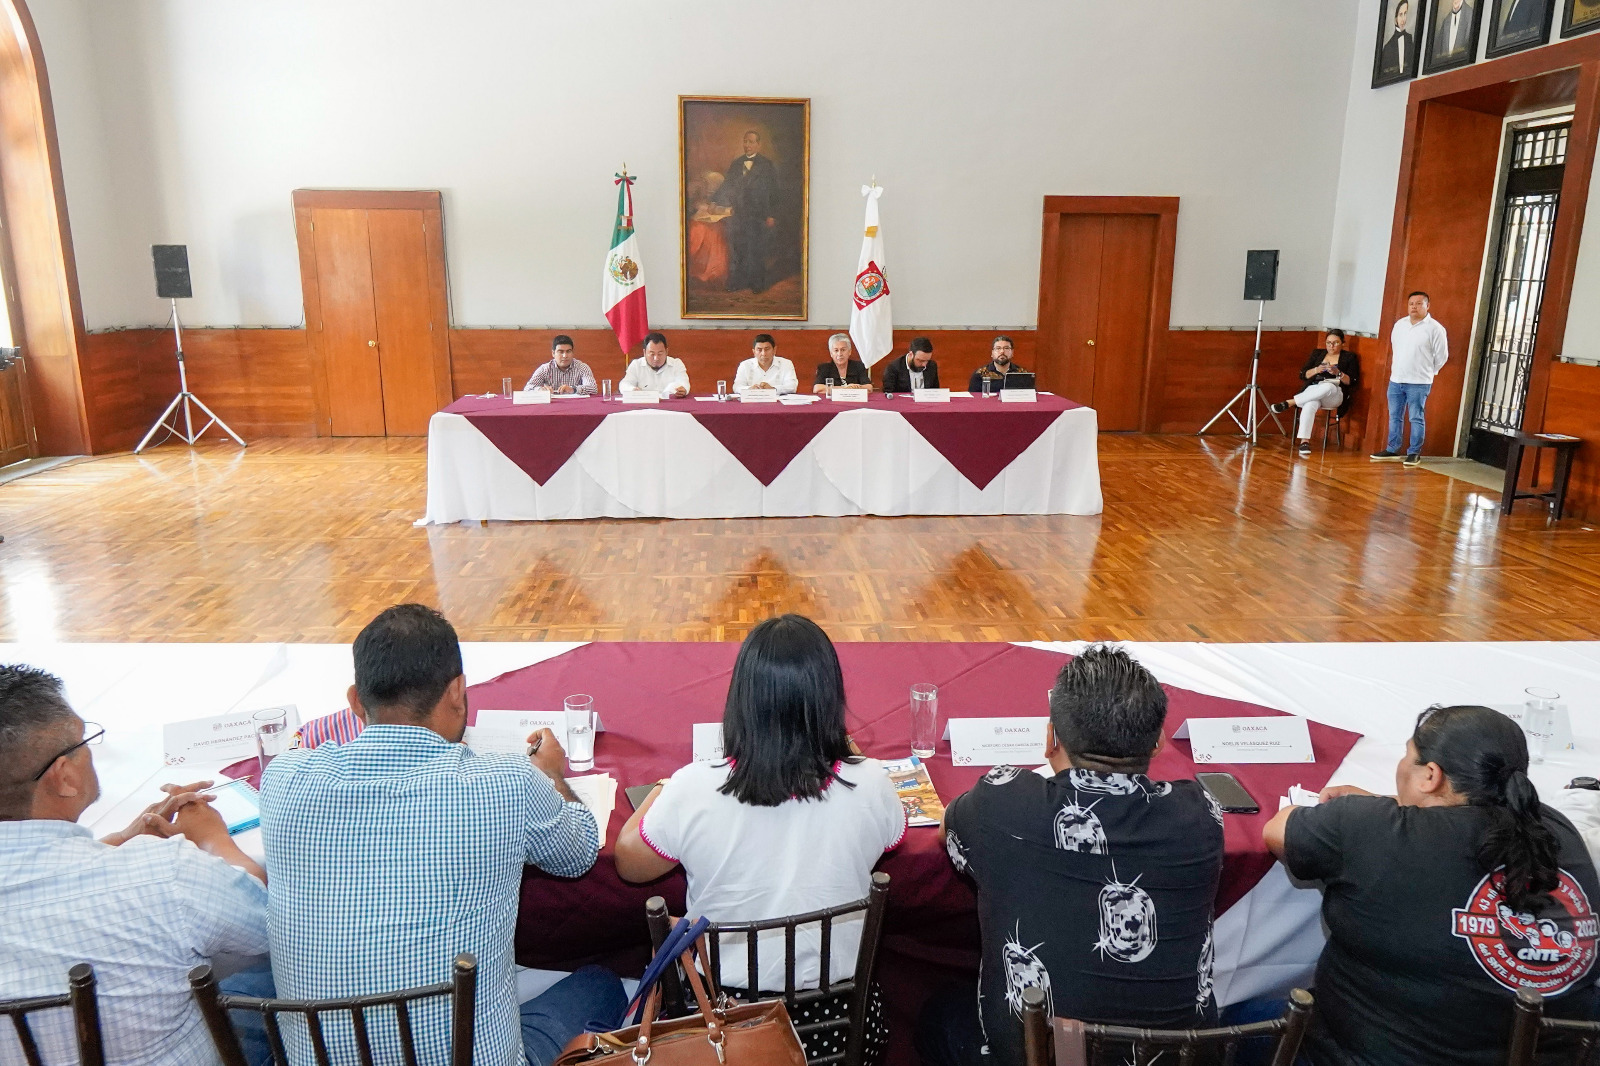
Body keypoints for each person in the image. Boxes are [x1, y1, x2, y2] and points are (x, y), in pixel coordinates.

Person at [258, 605, 625, 1066]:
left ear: (355, 701)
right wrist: (551, 774)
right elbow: (577, 854)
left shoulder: (283, 779)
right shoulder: (507, 783)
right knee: (602, 985)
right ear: (456, 691)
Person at [614, 614, 904, 1062]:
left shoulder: (692, 788)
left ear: (740, 701)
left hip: (723, 1031)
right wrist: (837, 744)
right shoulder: (872, 784)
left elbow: (629, 862)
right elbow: (890, 836)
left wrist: (661, 790)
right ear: (830, 699)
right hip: (841, 1025)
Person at [920, 645, 1224, 1066]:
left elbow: (946, 831)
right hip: (1179, 1058)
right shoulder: (1202, 815)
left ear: (1050, 740)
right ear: (1156, 744)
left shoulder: (1000, 804)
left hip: (1035, 1057)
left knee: (940, 1015)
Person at [1263, 705, 1600, 1066]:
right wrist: (1395, 806)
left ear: (1430, 775)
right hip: (1556, 1056)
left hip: (1363, 1053)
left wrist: (1378, 810)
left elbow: (1278, 829)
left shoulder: (1371, 831)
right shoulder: (1556, 828)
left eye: (1407, 755)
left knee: (1246, 1013)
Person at [0, 664, 271, 1066]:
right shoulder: (166, 876)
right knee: (273, 974)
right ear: (64, 776)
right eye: (85, 741)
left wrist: (119, 841)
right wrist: (212, 839)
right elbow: (269, 922)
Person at [1371, 291, 1448, 466]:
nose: (1414, 307)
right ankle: (1392, 449)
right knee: (1394, 416)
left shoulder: (1435, 329)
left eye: (1419, 303)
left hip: (1419, 382)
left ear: (1427, 306)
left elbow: (1441, 356)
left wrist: (1429, 372)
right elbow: (1395, 347)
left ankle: (1414, 452)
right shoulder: (1400, 324)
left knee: (1415, 417)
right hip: (1396, 379)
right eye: (1411, 303)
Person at [1270, 329, 1361, 458]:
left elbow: (1352, 381)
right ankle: (1304, 442)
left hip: (1334, 393)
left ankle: (1291, 402)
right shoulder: (1317, 354)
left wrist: (1338, 373)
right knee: (1310, 403)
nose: (1331, 346)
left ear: (1342, 343)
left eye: (1335, 343)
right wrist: (1316, 370)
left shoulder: (1349, 357)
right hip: (1314, 389)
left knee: (1328, 386)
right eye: (1328, 343)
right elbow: (1303, 375)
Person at [712, 129, 778, 293]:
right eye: (745, 141)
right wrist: (714, 201)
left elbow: (774, 191)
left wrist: (772, 215)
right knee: (738, 248)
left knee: (756, 248)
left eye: (751, 142)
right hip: (738, 213)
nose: (747, 145)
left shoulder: (767, 165)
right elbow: (726, 185)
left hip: (758, 214)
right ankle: (738, 281)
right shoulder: (736, 163)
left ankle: (757, 283)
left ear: (758, 144)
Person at [621, 332, 690, 398]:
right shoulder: (636, 365)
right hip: (645, 404)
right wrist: (632, 390)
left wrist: (683, 389)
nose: (656, 358)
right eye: (652, 354)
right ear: (644, 352)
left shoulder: (676, 364)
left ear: (666, 352)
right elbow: (624, 384)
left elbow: (684, 382)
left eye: (660, 354)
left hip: (670, 404)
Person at [524, 335, 597, 395]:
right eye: (561, 352)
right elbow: (527, 388)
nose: (565, 356)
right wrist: (539, 389)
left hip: (576, 405)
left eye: (568, 351)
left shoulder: (582, 367)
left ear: (573, 352)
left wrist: (573, 389)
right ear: (553, 353)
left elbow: (593, 388)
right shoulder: (545, 369)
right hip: (552, 406)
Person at [733, 333, 798, 394]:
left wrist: (773, 389)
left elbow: (792, 386)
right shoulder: (745, 365)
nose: (763, 354)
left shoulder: (786, 364)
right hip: (752, 401)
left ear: (774, 350)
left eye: (767, 349)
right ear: (754, 352)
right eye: (759, 350)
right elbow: (736, 387)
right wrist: (750, 389)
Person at [1380, 0, 1416, 77]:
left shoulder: (1410, 39)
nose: (1403, 19)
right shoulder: (1388, 47)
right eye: (1400, 15)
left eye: (1405, 13)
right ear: (1395, 18)